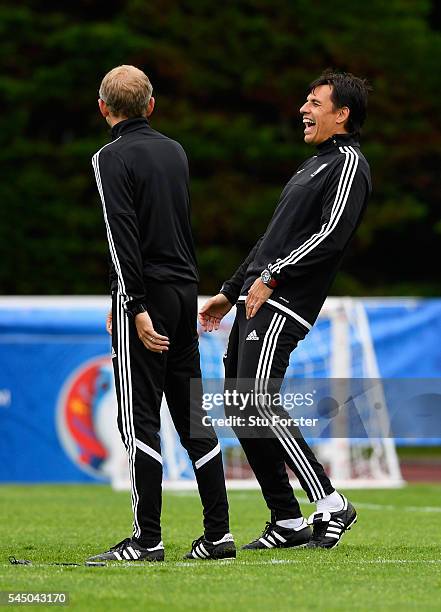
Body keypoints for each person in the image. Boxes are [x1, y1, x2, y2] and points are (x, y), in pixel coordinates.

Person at [199, 70, 371, 550]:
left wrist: (273, 274)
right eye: (305, 101)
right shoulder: (309, 166)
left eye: (315, 103)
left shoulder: (348, 163)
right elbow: (270, 239)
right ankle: (287, 521)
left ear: (343, 114)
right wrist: (231, 290)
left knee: (256, 396)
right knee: (240, 406)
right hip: (258, 297)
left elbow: (330, 234)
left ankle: (331, 503)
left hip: (286, 300)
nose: (304, 109)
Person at [88, 65, 235, 562]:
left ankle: (147, 538)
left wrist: (130, 303)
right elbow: (175, 227)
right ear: (151, 106)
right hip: (182, 291)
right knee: (194, 417)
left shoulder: (109, 157)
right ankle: (219, 535)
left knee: (139, 423)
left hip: (146, 296)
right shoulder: (175, 151)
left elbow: (121, 234)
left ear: (104, 107)